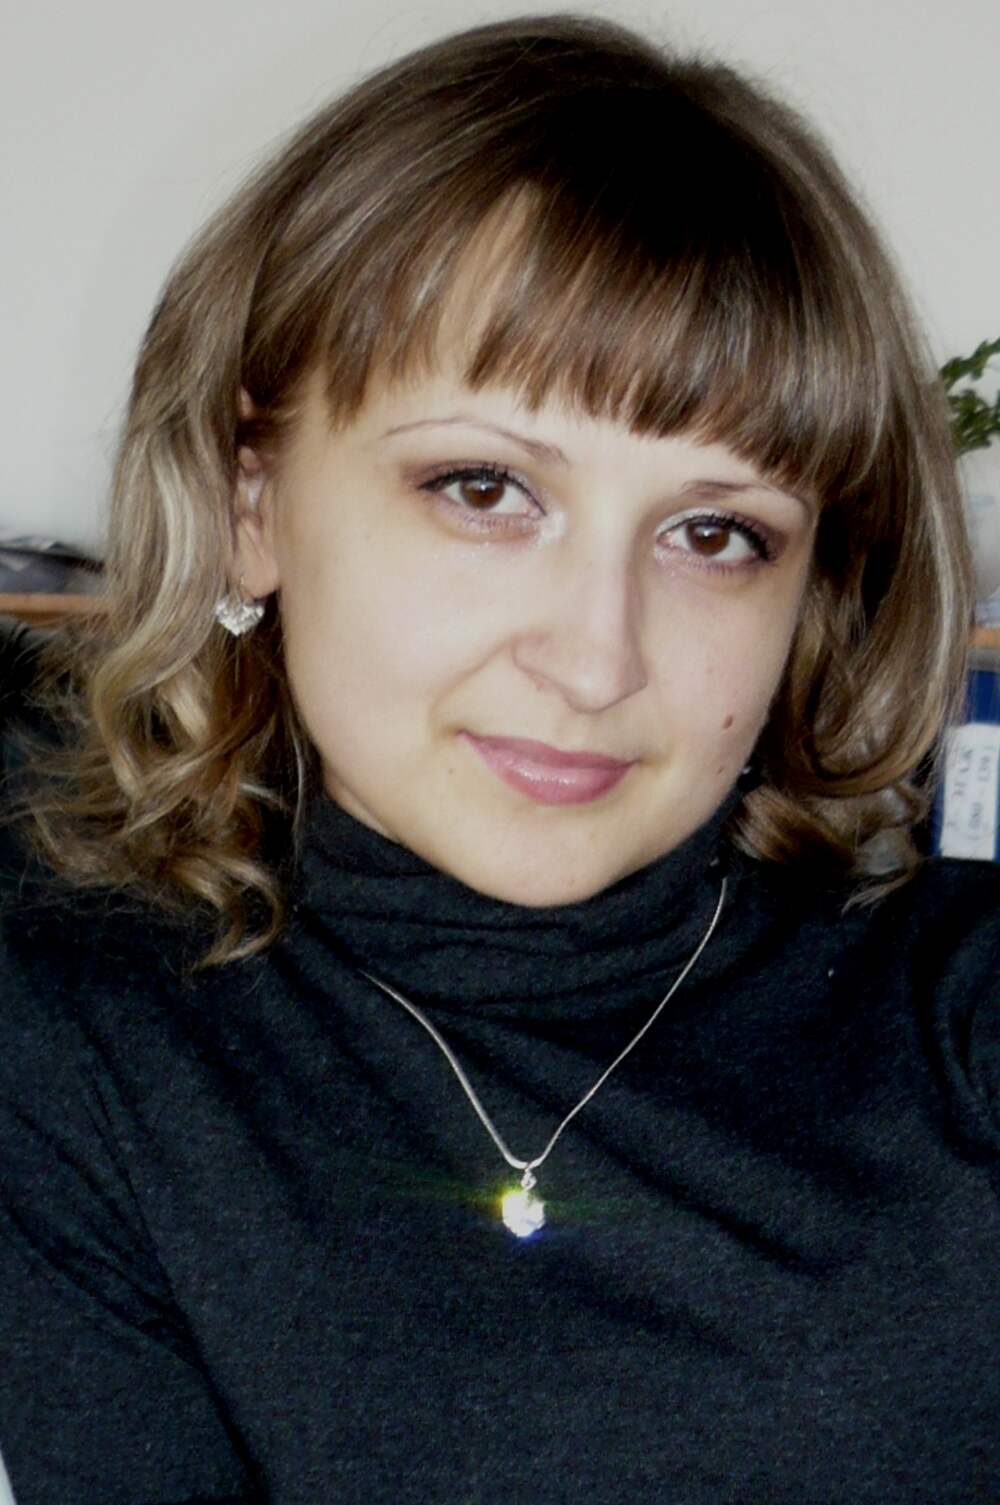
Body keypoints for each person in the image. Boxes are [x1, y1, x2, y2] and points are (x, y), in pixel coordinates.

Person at [1, 13, 998, 1504]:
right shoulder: (85, 1043)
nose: (597, 660)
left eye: (716, 533)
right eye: (484, 488)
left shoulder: (962, 1023)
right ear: (251, 504)